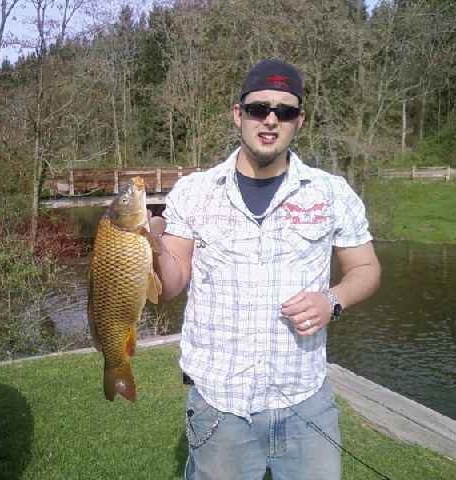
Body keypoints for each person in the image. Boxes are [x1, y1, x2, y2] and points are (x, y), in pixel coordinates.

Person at [149, 59, 381, 480]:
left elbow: (365, 268)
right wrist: (146, 247)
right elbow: (171, 284)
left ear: (299, 121)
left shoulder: (331, 193)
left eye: (285, 111)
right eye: (258, 108)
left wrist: (333, 300)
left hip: (305, 400)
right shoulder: (194, 192)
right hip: (220, 404)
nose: (270, 120)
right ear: (238, 114)